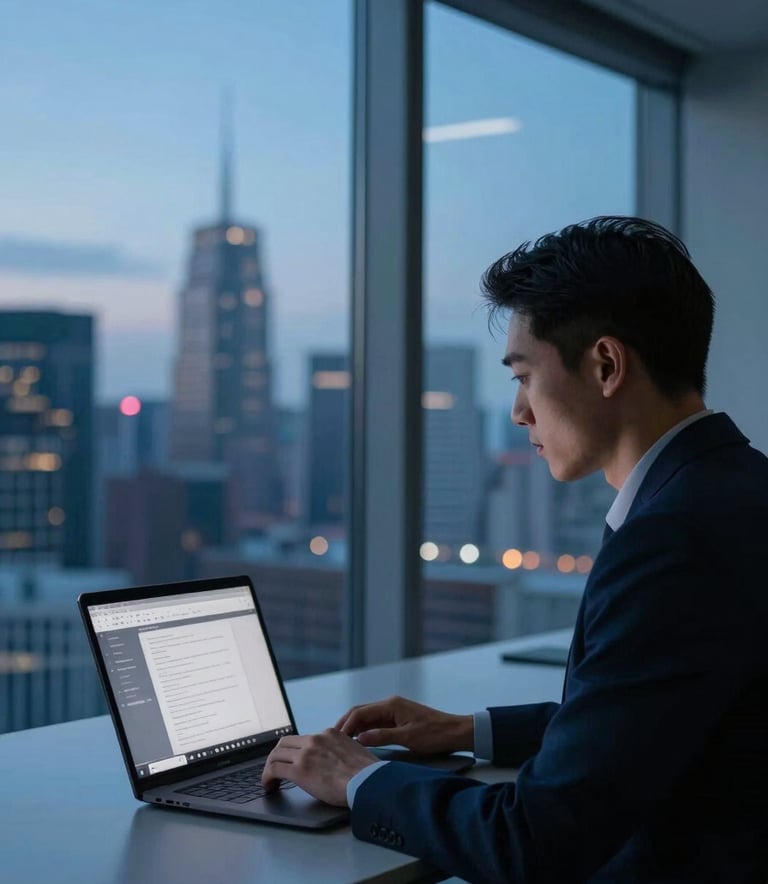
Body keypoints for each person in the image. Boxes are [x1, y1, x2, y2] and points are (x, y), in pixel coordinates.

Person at [262, 216, 768, 883]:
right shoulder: (738, 488)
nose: (519, 411)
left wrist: (357, 780)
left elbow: (532, 843)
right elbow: (653, 717)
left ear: (606, 366)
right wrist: (466, 730)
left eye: (524, 376)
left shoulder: (672, 539)